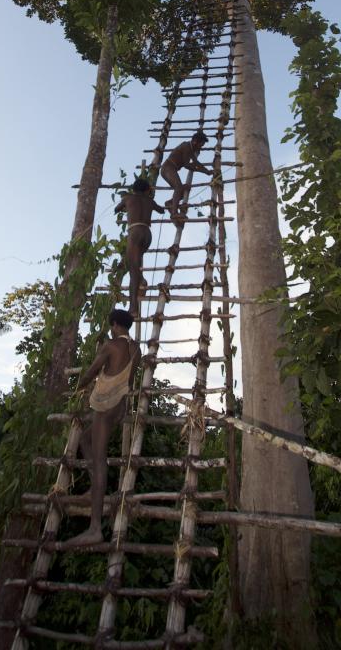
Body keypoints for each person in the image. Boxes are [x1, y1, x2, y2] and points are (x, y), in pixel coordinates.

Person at [67, 308, 141, 547]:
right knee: (84, 441)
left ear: (115, 325)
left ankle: (95, 527)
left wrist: (77, 387)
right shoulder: (135, 349)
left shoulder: (111, 345)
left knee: (100, 461)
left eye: (111, 326)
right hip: (119, 406)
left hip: (106, 405)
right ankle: (93, 486)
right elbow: (129, 380)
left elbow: (92, 372)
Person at [114, 176, 165, 315]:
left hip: (135, 232)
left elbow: (116, 209)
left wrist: (125, 206)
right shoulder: (150, 201)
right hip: (147, 235)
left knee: (133, 271)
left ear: (133, 189)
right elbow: (161, 210)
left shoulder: (128, 198)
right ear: (147, 190)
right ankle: (142, 281)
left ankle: (133, 308)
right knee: (135, 264)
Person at [160, 129, 212, 221]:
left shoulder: (190, 149)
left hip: (171, 169)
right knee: (179, 188)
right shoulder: (186, 146)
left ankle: (170, 203)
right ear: (195, 142)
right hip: (168, 168)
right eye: (201, 144)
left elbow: (196, 163)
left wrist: (207, 171)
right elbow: (187, 165)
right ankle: (174, 213)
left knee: (184, 189)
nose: (201, 147)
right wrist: (204, 171)